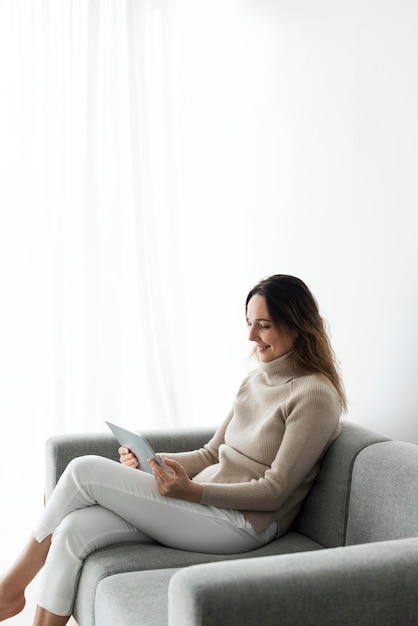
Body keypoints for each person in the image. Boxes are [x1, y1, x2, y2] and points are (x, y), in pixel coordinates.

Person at [0, 274, 347, 625]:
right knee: (74, 528)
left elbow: (274, 491)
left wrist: (195, 491)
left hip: (244, 524)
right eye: (249, 324)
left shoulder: (314, 396)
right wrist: (152, 462)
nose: (251, 336)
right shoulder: (255, 380)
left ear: (298, 325)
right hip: (204, 506)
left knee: (82, 470)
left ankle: (9, 591)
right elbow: (213, 454)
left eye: (264, 326)